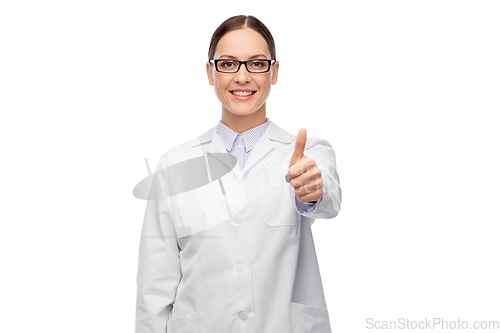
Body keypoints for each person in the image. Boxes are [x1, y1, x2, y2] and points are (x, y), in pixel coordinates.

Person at [135, 15, 342, 333]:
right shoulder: (174, 165)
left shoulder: (308, 152)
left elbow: (326, 198)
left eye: (257, 64)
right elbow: (154, 289)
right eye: (228, 64)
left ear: (274, 72)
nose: (243, 77)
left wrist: (312, 191)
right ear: (210, 72)